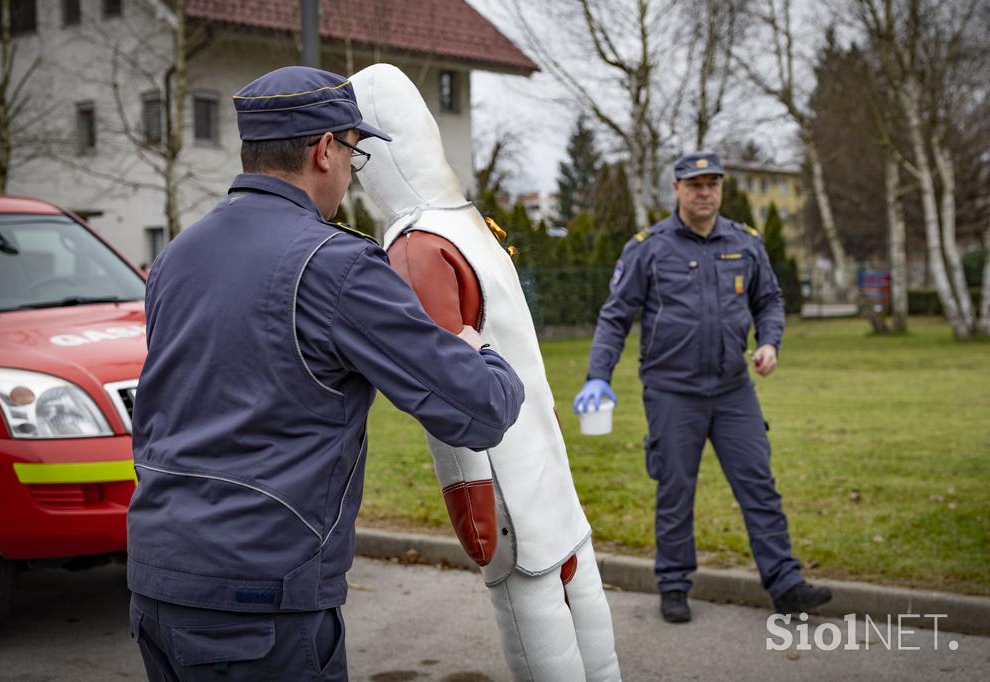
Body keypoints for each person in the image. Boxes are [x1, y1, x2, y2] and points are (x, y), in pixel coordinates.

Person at [126, 65, 525, 681]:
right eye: (354, 154)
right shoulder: (335, 264)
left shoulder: (178, 255)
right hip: (261, 599)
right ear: (323, 151)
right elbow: (479, 410)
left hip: (158, 579)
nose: (349, 172)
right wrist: (480, 353)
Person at [351, 64, 621, 681]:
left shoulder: (418, 244)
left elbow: (444, 387)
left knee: (535, 612)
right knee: (579, 588)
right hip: (540, 453)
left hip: (502, 470)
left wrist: (466, 490)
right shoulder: (468, 221)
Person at [574, 151, 831, 624]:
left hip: (733, 390)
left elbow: (769, 300)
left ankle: (786, 584)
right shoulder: (648, 247)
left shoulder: (745, 243)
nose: (704, 192)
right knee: (675, 490)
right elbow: (615, 315)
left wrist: (769, 342)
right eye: (694, 184)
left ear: (721, 188)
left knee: (759, 485)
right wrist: (597, 376)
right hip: (672, 392)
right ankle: (673, 585)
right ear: (676, 189)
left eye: (712, 183)